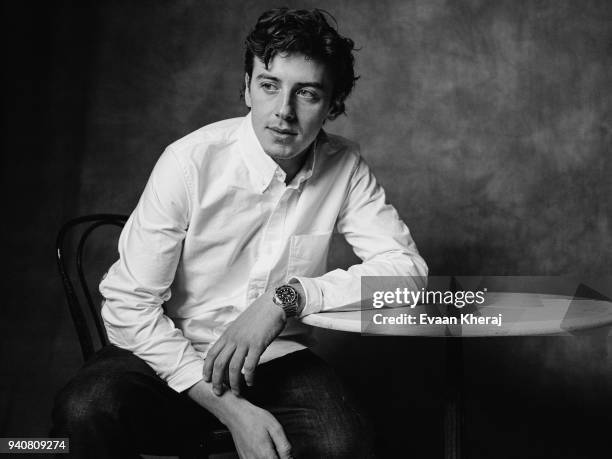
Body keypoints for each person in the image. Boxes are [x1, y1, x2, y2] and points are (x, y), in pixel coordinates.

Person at [51, 7, 428, 459]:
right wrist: (230, 409)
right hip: (165, 350)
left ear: (332, 105)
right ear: (246, 89)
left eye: (306, 94)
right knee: (85, 409)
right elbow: (129, 305)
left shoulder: (344, 167)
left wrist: (287, 298)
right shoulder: (189, 161)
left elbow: (409, 275)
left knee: (342, 442)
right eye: (270, 86)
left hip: (275, 358)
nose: (283, 112)